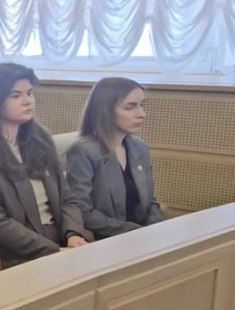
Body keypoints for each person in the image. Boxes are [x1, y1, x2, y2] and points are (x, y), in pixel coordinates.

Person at [0, 63, 91, 267]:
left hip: (59, 242)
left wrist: (73, 234)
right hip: (14, 254)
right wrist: (53, 251)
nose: (28, 101)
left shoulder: (39, 139)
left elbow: (68, 198)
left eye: (30, 93)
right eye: (15, 95)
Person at [65, 78, 165, 239]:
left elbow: (150, 201)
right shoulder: (83, 151)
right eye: (130, 107)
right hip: (107, 239)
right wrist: (135, 232)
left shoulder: (140, 147)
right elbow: (82, 211)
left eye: (142, 105)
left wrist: (155, 228)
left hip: (142, 236)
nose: (142, 114)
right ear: (105, 111)